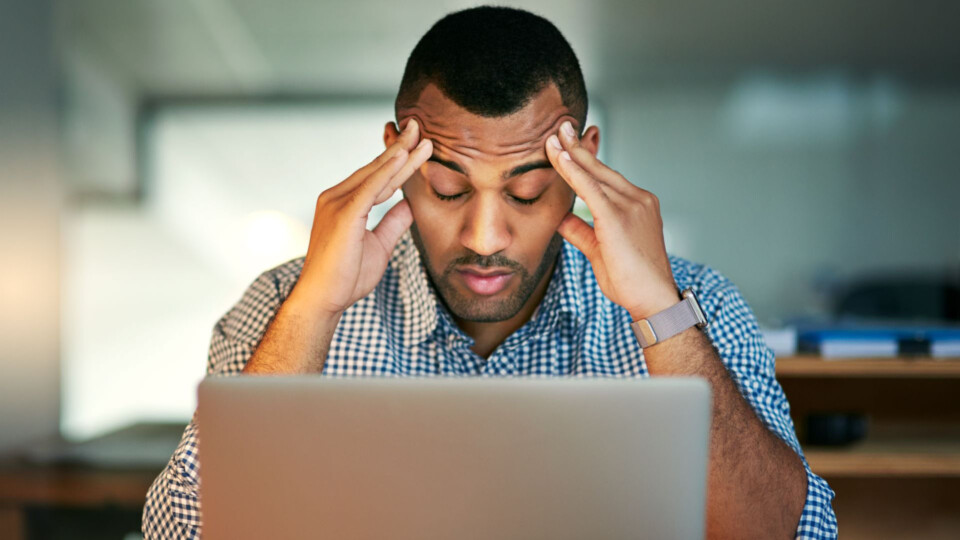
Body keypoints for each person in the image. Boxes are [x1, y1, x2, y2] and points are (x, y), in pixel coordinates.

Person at [143, 6, 837, 539]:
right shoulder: (280, 303)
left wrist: (661, 312)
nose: (484, 237)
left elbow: (788, 535)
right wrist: (311, 313)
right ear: (396, 158)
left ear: (585, 163)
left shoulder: (696, 302)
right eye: (448, 189)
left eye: (527, 192)